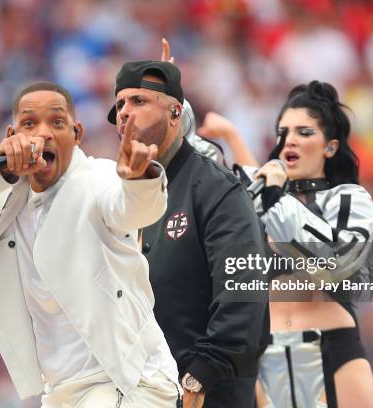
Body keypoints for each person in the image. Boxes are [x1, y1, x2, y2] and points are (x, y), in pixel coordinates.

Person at [0, 81, 183, 407]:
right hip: (62, 392)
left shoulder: (98, 178)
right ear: (11, 135)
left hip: (129, 382)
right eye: (29, 124)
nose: (42, 134)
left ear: (77, 133)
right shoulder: (5, 199)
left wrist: (139, 180)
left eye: (57, 122)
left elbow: (135, 209)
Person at [200, 81, 373, 407]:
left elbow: (332, 262)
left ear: (330, 146)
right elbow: (252, 185)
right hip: (264, 355)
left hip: (333, 352)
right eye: (283, 132)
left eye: (304, 132)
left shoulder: (349, 200)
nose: (290, 140)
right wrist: (230, 136)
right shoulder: (268, 197)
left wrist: (273, 197)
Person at [107, 59, 270, 408]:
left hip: (205, 393)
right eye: (120, 104)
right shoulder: (115, 197)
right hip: (137, 391)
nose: (124, 112)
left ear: (175, 113)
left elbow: (244, 292)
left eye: (139, 101)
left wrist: (202, 374)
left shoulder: (216, 189)